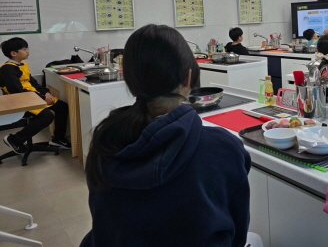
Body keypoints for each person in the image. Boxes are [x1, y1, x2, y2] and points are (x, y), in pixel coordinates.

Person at [81, 24, 251, 247]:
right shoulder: (223, 146)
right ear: (188, 77)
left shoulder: (106, 142)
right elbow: (238, 232)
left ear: (129, 80)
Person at [0, 37, 71, 154]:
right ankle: (15, 139)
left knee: (62, 106)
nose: (28, 51)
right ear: (13, 53)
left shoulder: (23, 64)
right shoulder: (7, 69)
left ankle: (58, 139)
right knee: (47, 116)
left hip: (34, 96)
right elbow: (16, 91)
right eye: (24, 49)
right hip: (21, 100)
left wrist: (45, 92)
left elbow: (33, 82)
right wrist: (42, 98)